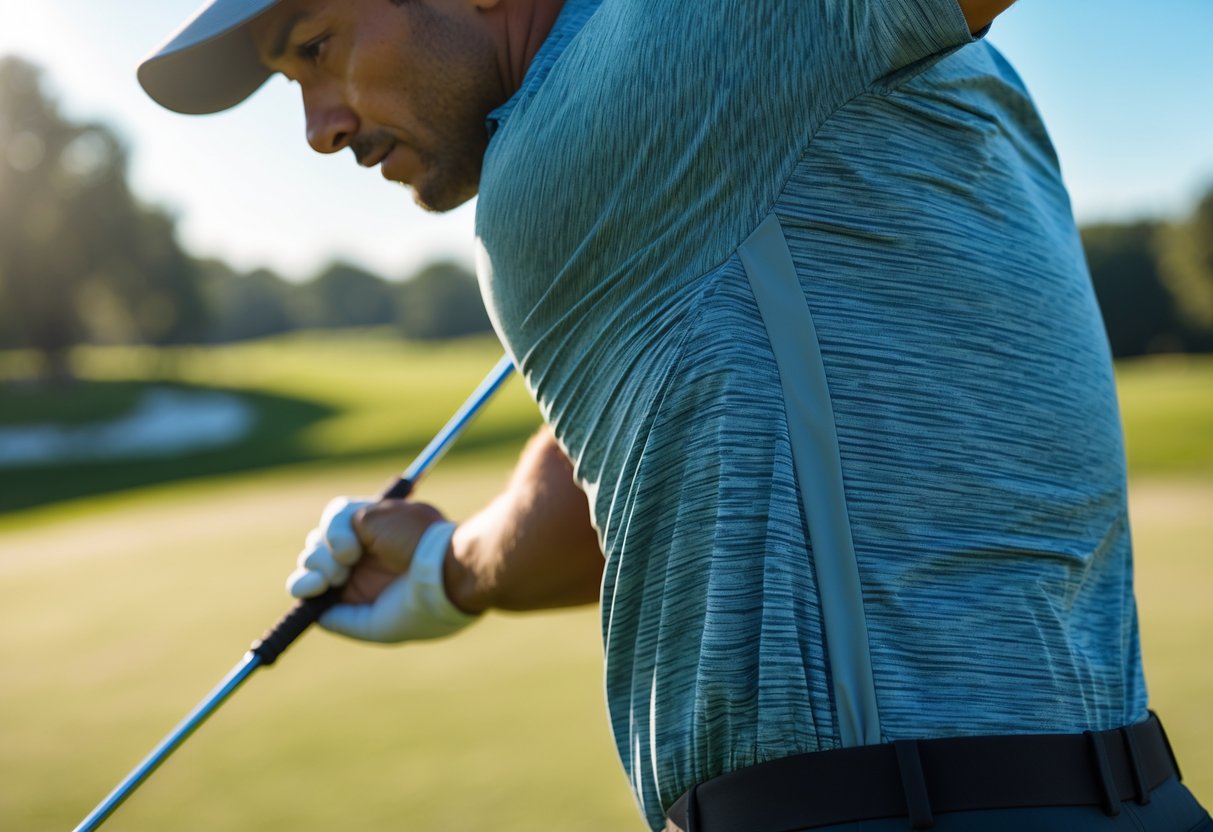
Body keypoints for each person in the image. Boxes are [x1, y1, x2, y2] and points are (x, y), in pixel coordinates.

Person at [139, 1, 1211, 830]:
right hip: (1119, 793)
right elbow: (603, 499)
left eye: (317, 47)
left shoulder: (646, 84)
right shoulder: (681, 107)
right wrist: (446, 567)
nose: (319, 129)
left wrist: (448, 572)